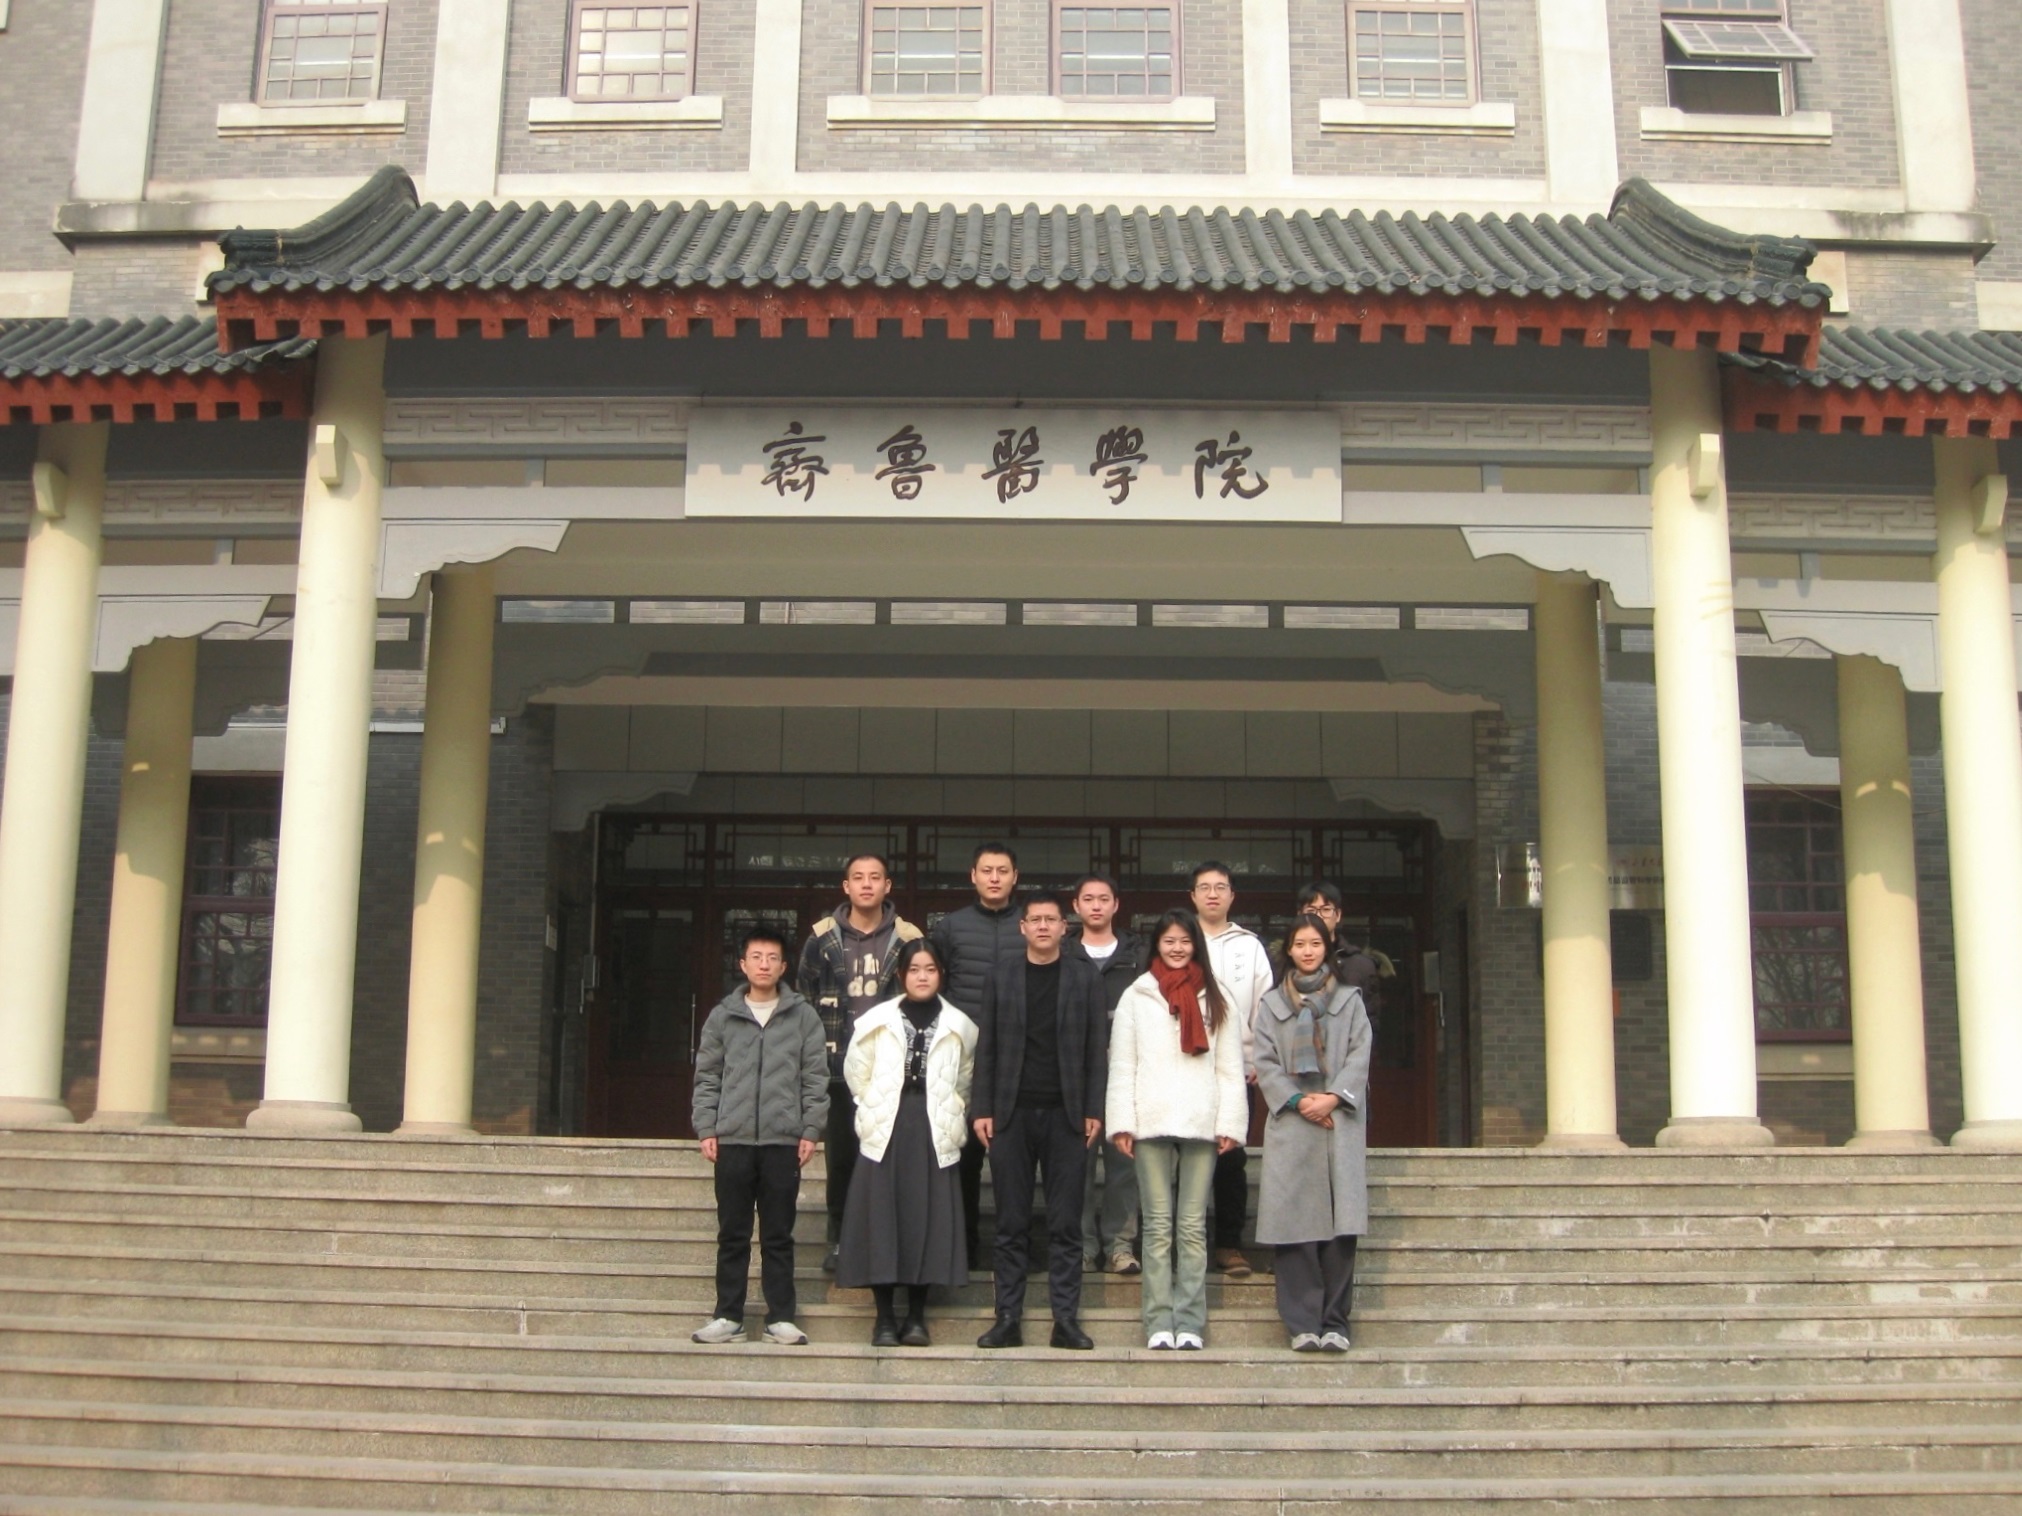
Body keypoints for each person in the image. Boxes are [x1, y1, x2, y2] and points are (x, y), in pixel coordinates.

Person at [970, 892, 1108, 1350]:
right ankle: (1007, 1317)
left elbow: (1096, 1049)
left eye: (1052, 919)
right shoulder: (1002, 976)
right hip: (1010, 1115)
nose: (1044, 926)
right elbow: (987, 1046)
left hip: (1067, 1116)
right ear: (1023, 927)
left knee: (1066, 1224)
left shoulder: (1084, 977)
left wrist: (1093, 1109)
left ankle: (1065, 1319)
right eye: (1036, 919)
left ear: (1065, 927)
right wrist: (982, 1108)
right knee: (1010, 1223)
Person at [1106, 908, 1247, 1350]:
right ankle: (1157, 1323)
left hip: (1202, 1118)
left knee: (1191, 1226)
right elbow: (1123, 1063)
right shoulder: (1137, 995)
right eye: (1169, 941)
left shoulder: (1217, 996)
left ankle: (1189, 1322)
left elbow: (1230, 1066)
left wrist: (1230, 1122)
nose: (1177, 948)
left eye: (1185, 941)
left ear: (1195, 945)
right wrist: (1122, 1122)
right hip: (1150, 1119)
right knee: (1157, 1226)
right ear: (1157, 945)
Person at [690, 924, 829, 1346]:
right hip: (732, 1139)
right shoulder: (723, 1016)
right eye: (756, 957)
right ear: (743, 964)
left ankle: (780, 1317)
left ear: (784, 966)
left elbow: (815, 1078)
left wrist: (810, 1129)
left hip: (782, 1141)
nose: (764, 965)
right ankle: (727, 1316)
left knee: (777, 1235)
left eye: (772, 958)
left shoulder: (803, 1017)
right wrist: (707, 1126)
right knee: (732, 1233)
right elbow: (708, 1076)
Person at [837, 939, 978, 1347]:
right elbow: (856, 1072)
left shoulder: (961, 1027)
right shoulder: (877, 1021)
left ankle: (916, 1317)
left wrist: (952, 1109)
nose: (922, 977)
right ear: (901, 975)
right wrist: (871, 1106)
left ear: (941, 975)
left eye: (930, 969)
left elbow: (964, 1081)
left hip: (933, 1128)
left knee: (925, 1221)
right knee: (881, 1219)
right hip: (887, 1127)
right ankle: (884, 1319)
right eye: (914, 969)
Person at [796, 853, 924, 1273]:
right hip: (837, 1067)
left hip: (891, 1070)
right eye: (858, 877)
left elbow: (923, 997)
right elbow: (804, 1001)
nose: (866, 884)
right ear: (845, 886)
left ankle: (889, 1241)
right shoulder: (821, 938)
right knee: (842, 1160)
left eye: (875, 877)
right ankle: (840, 1240)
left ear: (888, 886)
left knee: (889, 1158)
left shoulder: (908, 937)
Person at [1254, 914, 1372, 1353]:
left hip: (1339, 1122)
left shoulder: (1349, 1000)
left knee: (1341, 1229)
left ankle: (1335, 1322)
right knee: (1294, 1226)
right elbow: (1264, 1061)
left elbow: (1360, 1053)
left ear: (1327, 948)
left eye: (1315, 944)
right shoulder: (1272, 1005)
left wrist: (1333, 1097)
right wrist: (1299, 1101)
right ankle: (1302, 1323)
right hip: (1293, 1122)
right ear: (1289, 949)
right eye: (1300, 944)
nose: (1307, 951)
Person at [928, 842, 1023, 1262]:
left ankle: (1014, 1250)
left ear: (1015, 877)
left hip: (1018, 1059)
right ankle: (961, 1247)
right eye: (987, 870)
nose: (995, 878)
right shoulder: (951, 928)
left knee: (1014, 1163)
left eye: (1002, 871)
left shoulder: (1030, 924)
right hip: (962, 1060)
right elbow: (935, 988)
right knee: (961, 1158)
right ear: (973, 876)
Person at [1188, 862, 1274, 1278]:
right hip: (1185, 1070)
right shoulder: (1180, 940)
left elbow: (1264, 1005)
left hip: (1236, 1071)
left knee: (1230, 1159)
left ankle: (1228, 1245)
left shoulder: (1250, 946)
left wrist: (1258, 1058)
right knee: (1184, 1157)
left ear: (1232, 896)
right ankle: (1185, 1244)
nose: (1212, 894)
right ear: (1193, 896)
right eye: (1204, 887)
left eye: (1220, 887)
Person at [1069, 873, 1144, 1275]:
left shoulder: (1137, 956)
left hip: (1125, 1078)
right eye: (1088, 899)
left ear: (1116, 905)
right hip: (1074, 1079)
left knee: (1123, 1167)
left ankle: (1120, 1246)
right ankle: (1081, 1246)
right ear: (1076, 906)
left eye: (1103, 899)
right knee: (1075, 1167)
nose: (1096, 906)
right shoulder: (1064, 952)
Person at [1286, 881, 1384, 1034]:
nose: (1318, 916)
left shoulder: (1360, 965)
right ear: (1300, 915)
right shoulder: (1284, 963)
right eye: (1311, 910)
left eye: (1326, 909)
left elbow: (1370, 1022)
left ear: (1338, 915)